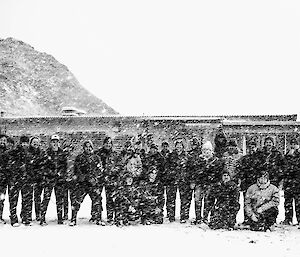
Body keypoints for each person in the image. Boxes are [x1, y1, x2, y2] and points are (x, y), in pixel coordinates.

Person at [70, 140, 104, 226]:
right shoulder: (79, 157)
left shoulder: (97, 158)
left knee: (98, 201)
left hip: (93, 184)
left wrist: (94, 178)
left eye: (90, 147)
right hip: (82, 183)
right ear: (84, 148)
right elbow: (76, 169)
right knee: (77, 201)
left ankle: (98, 219)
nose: (88, 149)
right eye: (86, 147)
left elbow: (99, 170)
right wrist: (82, 177)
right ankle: (73, 219)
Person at [40, 135, 68, 226]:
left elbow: (64, 166)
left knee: (59, 200)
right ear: (50, 142)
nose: (55, 143)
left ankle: (60, 218)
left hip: (59, 180)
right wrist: (50, 173)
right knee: (46, 199)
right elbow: (43, 166)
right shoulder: (46, 153)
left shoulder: (62, 153)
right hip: (49, 179)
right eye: (53, 141)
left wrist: (60, 173)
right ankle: (42, 218)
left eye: (56, 141)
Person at [7, 136, 32, 226]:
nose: (25, 144)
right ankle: (13, 218)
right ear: (20, 143)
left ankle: (25, 217)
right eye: (23, 143)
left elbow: (32, 166)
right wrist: (18, 168)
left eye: (26, 143)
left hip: (26, 180)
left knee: (26, 200)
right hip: (15, 179)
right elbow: (10, 164)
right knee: (13, 200)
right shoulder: (14, 152)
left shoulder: (29, 153)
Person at [95, 136, 119, 224]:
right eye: (106, 143)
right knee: (97, 198)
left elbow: (118, 165)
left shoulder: (114, 154)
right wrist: (100, 172)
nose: (108, 145)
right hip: (99, 179)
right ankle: (97, 216)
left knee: (110, 199)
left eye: (110, 143)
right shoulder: (98, 153)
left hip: (110, 179)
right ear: (103, 144)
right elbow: (95, 164)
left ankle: (110, 217)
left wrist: (113, 171)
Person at [165, 139, 189, 223]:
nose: (179, 147)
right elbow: (166, 167)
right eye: (177, 145)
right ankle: (171, 216)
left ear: (183, 146)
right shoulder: (170, 156)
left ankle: (183, 216)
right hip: (172, 180)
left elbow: (190, 168)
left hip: (183, 180)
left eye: (180, 145)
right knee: (171, 199)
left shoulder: (187, 156)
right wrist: (170, 175)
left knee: (184, 199)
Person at [238, 138, 260, 225]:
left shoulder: (258, 158)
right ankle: (246, 219)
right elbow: (241, 171)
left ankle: (255, 219)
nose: (251, 148)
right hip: (246, 183)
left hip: (256, 183)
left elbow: (260, 170)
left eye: (253, 147)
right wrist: (242, 181)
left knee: (256, 202)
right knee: (246, 202)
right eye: (250, 147)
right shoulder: (244, 159)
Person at [27, 136, 47, 222]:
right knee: (28, 198)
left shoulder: (42, 152)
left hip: (39, 178)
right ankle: (27, 215)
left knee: (37, 198)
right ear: (31, 143)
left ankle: (38, 214)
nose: (35, 144)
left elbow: (45, 164)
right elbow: (27, 165)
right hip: (29, 178)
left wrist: (41, 173)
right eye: (34, 142)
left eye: (37, 142)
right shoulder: (27, 152)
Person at [281, 137, 300, 225]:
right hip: (288, 182)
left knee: (298, 203)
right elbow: (284, 168)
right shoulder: (286, 156)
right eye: (291, 144)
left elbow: (295, 168)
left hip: (297, 183)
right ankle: (288, 219)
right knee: (287, 202)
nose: (293, 146)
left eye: (294, 144)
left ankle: (299, 220)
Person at [0, 134, 9, 224]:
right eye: (1, 140)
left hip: (3, 180)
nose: (2, 142)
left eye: (4, 141)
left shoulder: (8, 152)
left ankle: (0, 216)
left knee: (1, 198)